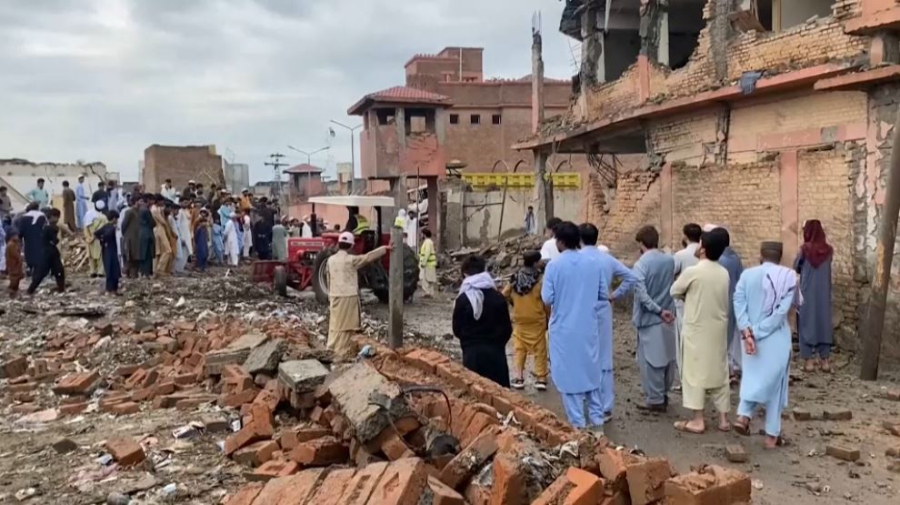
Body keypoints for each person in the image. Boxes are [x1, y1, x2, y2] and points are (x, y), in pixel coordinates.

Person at [542, 221, 609, 432]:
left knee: (569, 380)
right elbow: (603, 295)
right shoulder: (593, 264)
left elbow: (547, 298)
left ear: (560, 242)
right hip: (588, 329)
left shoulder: (553, 266)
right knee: (591, 375)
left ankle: (578, 428)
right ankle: (598, 426)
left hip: (563, 330)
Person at [733, 241, 798, 448]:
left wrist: (747, 330)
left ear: (760, 255)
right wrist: (758, 331)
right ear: (780, 256)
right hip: (775, 338)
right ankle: (771, 435)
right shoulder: (788, 277)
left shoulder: (747, 275)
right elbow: (780, 313)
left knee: (752, 376)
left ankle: (744, 416)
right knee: (776, 384)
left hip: (749, 338)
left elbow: (738, 302)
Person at [670, 227, 732, 434]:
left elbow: (674, 291)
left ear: (703, 248)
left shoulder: (693, 272)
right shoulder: (723, 273)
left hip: (696, 328)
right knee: (719, 371)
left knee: (694, 373)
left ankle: (698, 420)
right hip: (718, 328)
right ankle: (723, 419)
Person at [579, 223, 638, 421]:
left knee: (583, 354)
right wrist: (615, 295)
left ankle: (584, 402)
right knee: (604, 357)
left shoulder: (576, 260)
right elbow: (631, 277)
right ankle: (605, 406)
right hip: (603, 307)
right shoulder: (606, 259)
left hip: (581, 309)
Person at [628, 226, 677, 413]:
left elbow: (641, 294)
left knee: (650, 361)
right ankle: (663, 394)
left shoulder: (641, 264)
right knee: (667, 358)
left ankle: (655, 399)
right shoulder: (669, 260)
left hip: (651, 317)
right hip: (668, 317)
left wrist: (657, 310)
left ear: (641, 243)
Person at [327, 232, 390, 358]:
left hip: (335, 295)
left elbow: (328, 279)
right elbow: (367, 257)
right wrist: (384, 249)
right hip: (348, 297)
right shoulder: (351, 260)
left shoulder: (330, 260)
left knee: (335, 324)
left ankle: (332, 347)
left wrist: (330, 295)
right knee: (348, 326)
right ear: (351, 246)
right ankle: (343, 352)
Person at [453, 255, 512, 387]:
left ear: (465, 274)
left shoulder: (463, 298)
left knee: (475, 397)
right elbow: (507, 329)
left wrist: (468, 342)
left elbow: (457, 329)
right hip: (496, 355)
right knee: (500, 397)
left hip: (472, 356)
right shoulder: (498, 297)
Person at [503, 250, 548, 390]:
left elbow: (504, 294)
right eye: (540, 260)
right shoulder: (540, 279)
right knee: (540, 348)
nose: (541, 262)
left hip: (519, 317)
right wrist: (548, 317)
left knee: (519, 348)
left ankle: (518, 377)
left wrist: (513, 303)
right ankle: (541, 378)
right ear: (535, 263)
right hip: (536, 317)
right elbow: (546, 300)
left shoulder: (515, 277)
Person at [795, 220, 834, 373]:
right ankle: (825, 361)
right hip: (824, 293)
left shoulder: (805, 249)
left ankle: (809, 362)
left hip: (807, 292)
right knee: (823, 323)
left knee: (806, 323)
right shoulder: (829, 250)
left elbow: (796, 266)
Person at [711, 225, 744, 379]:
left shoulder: (720, 261)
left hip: (721, 303)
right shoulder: (735, 257)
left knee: (722, 338)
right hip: (734, 301)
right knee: (731, 337)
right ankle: (731, 367)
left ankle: (724, 370)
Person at [672, 223, 702, 381]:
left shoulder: (681, 255)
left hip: (683, 302)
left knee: (683, 340)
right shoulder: (705, 253)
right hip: (702, 301)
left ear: (684, 236)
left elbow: (672, 275)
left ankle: (686, 379)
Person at [26, 208, 65, 295]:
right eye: (56, 217)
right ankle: (30, 290)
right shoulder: (50, 228)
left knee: (53, 271)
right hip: (49, 253)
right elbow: (54, 241)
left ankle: (31, 290)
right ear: (51, 217)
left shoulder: (46, 227)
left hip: (48, 252)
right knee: (55, 271)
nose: (57, 219)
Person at [95, 210, 121, 294]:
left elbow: (96, 233)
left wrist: (102, 240)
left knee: (109, 268)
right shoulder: (112, 228)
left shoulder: (105, 226)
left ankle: (111, 288)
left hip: (106, 249)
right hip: (111, 249)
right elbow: (107, 235)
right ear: (114, 219)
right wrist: (104, 239)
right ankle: (112, 288)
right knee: (113, 269)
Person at [18, 202, 47, 276]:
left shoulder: (24, 217)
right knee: (38, 254)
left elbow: (20, 231)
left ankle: (30, 268)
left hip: (28, 239)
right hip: (39, 238)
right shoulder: (41, 215)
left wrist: (20, 239)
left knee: (29, 253)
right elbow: (46, 227)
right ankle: (37, 271)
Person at [84, 201, 108, 278]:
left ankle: (92, 271)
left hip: (89, 238)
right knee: (100, 255)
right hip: (98, 239)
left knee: (91, 256)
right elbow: (105, 229)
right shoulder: (103, 217)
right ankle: (100, 271)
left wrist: (88, 237)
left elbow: (85, 227)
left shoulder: (88, 214)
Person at [150, 196, 172, 276]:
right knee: (167, 250)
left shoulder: (156, 209)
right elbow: (163, 222)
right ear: (158, 201)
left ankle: (156, 270)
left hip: (157, 229)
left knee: (159, 251)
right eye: (162, 201)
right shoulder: (155, 210)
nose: (163, 203)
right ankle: (160, 269)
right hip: (159, 229)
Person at [137, 197, 156, 277]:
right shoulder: (146, 210)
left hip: (141, 232)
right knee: (148, 253)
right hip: (147, 233)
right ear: (148, 200)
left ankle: (142, 271)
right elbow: (152, 222)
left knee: (142, 253)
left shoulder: (140, 209)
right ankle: (147, 272)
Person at [419, 228, 437, 298]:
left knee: (423, 278)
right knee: (429, 279)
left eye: (421, 234)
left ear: (424, 234)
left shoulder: (427, 242)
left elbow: (427, 252)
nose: (421, 236)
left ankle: (427, 292)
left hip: (427, 264)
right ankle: (430, 292)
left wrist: (423, 262)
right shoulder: (429, 242)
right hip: (429, 263)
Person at [5, 230, 23, 298]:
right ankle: (11, 292)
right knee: (14, 279)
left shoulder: (14, 243)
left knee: (16, 278)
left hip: (15, 264)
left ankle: (13, 292)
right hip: (14, 264)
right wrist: (20, 257)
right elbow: (15, 254)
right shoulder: (11, 245)